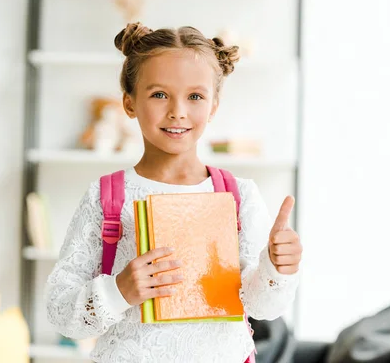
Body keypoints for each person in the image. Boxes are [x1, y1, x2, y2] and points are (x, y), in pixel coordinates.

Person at [45, 23, 302, 362]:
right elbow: (61, 311)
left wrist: (277, 267)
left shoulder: (239, 197)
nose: (177, 110)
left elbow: (263, 306)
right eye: (159, 94)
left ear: (213, 106)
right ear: (129, 102)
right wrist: (119, 290)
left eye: (195, 96)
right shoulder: (106, 198)